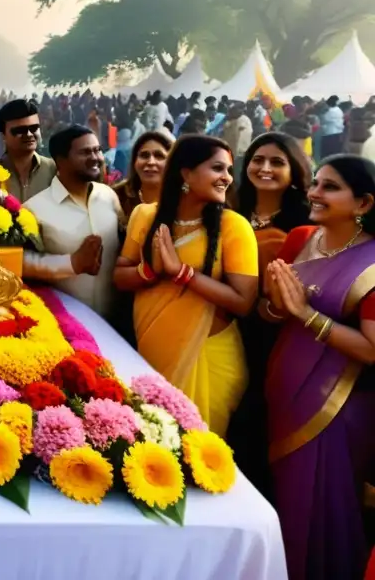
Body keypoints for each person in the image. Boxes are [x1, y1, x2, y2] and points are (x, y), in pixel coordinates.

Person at [260, 155, 375, 580]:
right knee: (287, 500)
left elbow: (371, 348)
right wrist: (277, 303)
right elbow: (271, 312)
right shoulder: (301, 238)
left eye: (330, 187)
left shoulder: (372, 265)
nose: (314, 193)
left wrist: (306, 313)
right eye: (317, 183)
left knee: (322, 508)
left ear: (363, 204)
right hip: (284, 389)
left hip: (337, 408)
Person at [113, 135, 258, 438]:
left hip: (209, 354)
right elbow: (120, 277)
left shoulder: (235, 227)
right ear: (186, 173)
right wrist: (149, 271)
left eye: (229, 171)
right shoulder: (146, 215)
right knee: (149, 443)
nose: (227, 178)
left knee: (197, 452)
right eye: (217, 168)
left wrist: (182, 273)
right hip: (152, 348)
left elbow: (243, 301)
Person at [226, 132, 312, 497]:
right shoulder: (229, 213)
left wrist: (274, 307)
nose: (265, 168)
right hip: (226, 326)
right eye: (258, 160)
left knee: (260, 414)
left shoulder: (306, 225)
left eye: (277, 162)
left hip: (278, 336)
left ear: (295, 171)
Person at [23, 126, 124, 318]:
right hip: (65, 325)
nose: (95, 157)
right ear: (60, 161)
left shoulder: (108, 196)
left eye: (97, 150)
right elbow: (19, 261)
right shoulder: (33, 209)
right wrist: (71, 263)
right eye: (85, 152)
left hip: (116, 324)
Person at [0, 98, 56, 202]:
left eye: (34, 128)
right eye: (20, 130)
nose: (28, 134)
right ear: (3, 136)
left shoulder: (55, 170)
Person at [112, 132, 172, 219]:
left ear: (171, 162)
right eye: (144, 155)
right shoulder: (117, 196)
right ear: (134, 162)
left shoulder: (182, 200)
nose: (151, 162)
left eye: (159, 156)